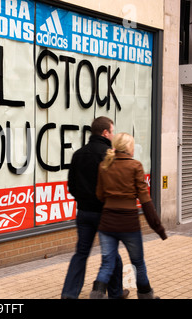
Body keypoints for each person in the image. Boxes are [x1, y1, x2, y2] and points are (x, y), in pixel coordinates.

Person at [90, 132, 167, 299]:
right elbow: (146, 201)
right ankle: (146, 296)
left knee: (107, 264)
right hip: (128, 224)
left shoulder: (104, 166)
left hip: (107, 224)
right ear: (129, 148)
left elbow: (100, 196)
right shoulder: (135, 166)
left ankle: (96, 295)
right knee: (138, 263)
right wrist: (158, 228)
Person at [61, 116, 128, 299]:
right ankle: (116, 293)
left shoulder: (79, 154)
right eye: (112, 131)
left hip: (84, 213)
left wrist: (84, 200)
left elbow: (71, 186)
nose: (113, 135)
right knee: (112, 254)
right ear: (105, 132)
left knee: (80, 254)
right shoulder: (110, 155)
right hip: (105, 214)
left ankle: (69, 294)